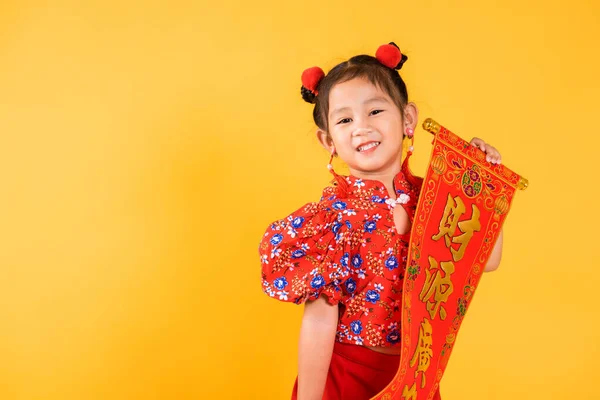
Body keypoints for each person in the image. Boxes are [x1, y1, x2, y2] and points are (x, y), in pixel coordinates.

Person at [258, 42, 503, 400]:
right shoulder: (335, 220)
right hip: (347, 378)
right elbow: (319, 321)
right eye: (345, 119)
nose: (361, 127)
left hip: (414, 377)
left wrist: (481, 189)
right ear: (329, 141)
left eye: (374, 111)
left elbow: (486, 259)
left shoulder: (434, 199)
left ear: (407, 120)